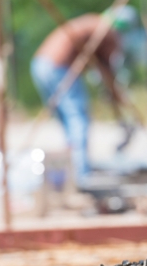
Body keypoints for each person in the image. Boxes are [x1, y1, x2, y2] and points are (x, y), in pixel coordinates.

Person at [30, 13, 121, 188]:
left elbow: (101, 65)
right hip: (58, 66)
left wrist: (112, 91)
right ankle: (81, 174)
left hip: (40, 64)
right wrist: (114, 94)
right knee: (78, 117)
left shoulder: (93, 24)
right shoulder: (108, 32)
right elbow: (107, 67)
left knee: (67, 122)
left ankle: (72, 167)